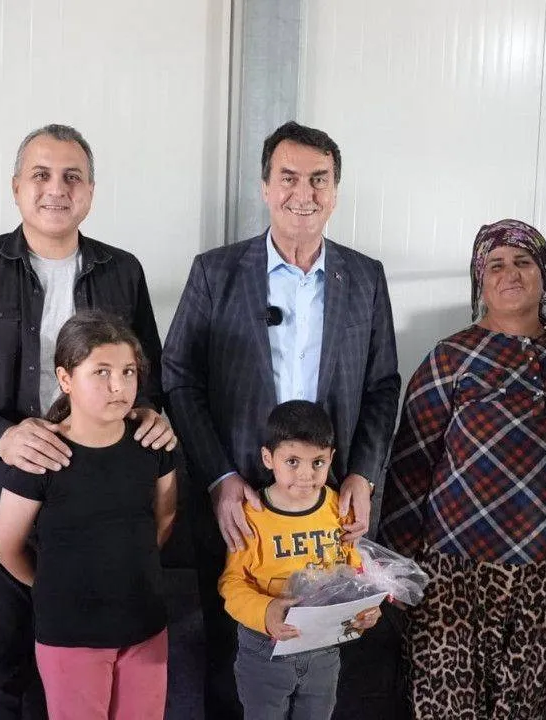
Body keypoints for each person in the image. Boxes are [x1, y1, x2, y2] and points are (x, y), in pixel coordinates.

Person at [0, 124, 176, 718]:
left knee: (78, 670)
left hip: (94, 503)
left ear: (91, 191)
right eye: (41, 175)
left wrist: (151, 414)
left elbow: (148, 373)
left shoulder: (122, 271)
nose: (57, 189)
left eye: (72, 176)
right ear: (16, 187)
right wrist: (2, 437)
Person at [163, 120, 400, 718]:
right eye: (289, 177)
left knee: (325, 644)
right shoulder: (215, 272)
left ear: (335, 190)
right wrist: (219, 478)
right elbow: (179, 377)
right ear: (265, 187)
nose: (304, 193)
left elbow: (382, 385)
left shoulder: (364, 277)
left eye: (319, 179)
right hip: (239, 497)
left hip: (328, 498)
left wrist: (363, 474)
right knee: (232, 644)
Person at [379, 219, 546, 719]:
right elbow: (411, 464)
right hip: (454, 565)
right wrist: (396, 565)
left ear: (544, 275)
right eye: (495, 265)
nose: (510, 273)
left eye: (523, 262)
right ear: (479, 280)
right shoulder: (450, 359)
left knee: (523, 703)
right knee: (445, 700)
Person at [0, 310, 177, 720]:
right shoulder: (42, 455)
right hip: (70, 633)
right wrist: (51, 585)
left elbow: (164, 517)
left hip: (144, 623)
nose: (119, 386)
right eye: (102, 372)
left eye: (128, 372)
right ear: (65, 378)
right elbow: (4, 546)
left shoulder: (153, 444)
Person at [220, 400, 382, 720]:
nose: (306, 475)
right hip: (265, 649)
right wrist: (265, 611)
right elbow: (232, 583)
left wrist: (362, 609)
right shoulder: (251, 516)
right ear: (268, 458)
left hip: (324, 649)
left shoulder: (340, 509)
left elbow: (352, 572)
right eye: (292, 461)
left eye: (317, 462)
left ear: (331, 458)